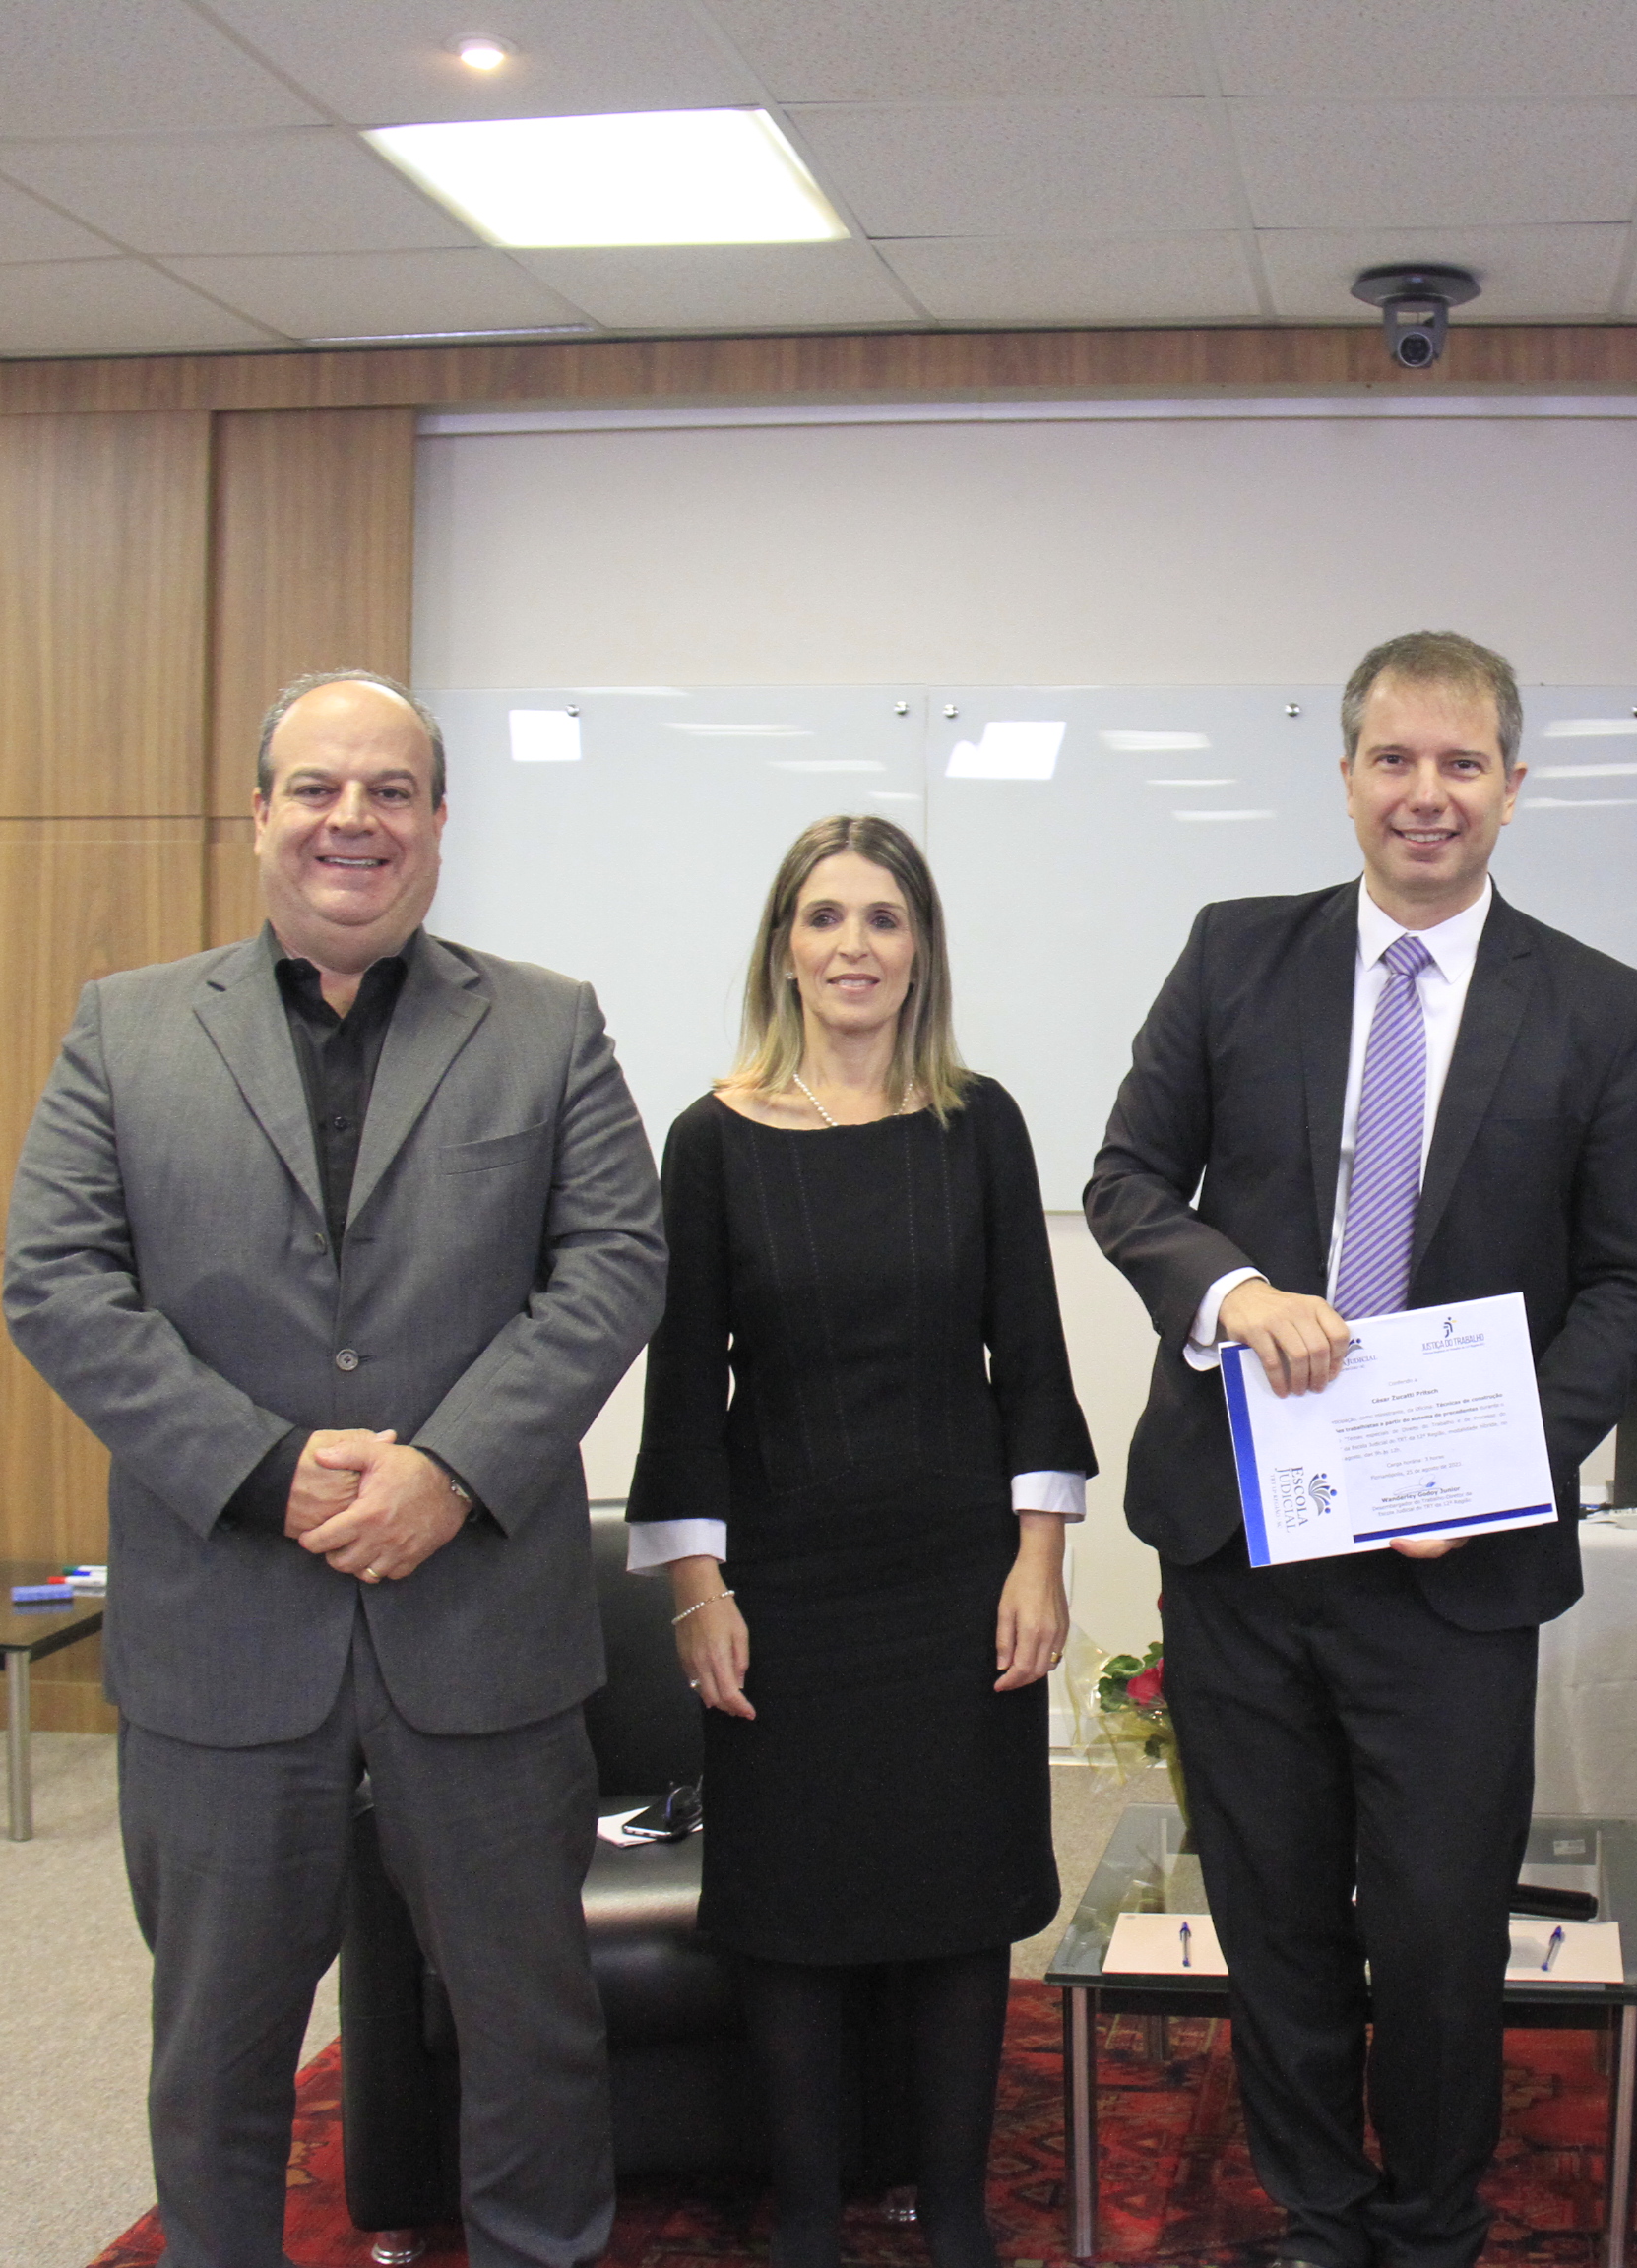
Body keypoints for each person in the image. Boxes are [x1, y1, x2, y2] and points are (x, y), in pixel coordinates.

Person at [4, 669, 665, 2268]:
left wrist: (448, 1466)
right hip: (225, 1631)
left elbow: (614, 1266)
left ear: (438, 823)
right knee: (219, 2057)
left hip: (481, 1632)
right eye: (317, 788)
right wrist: (261, 1468)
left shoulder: (548, 1021)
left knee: (533, 2040)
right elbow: (58, 1280)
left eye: (389, 792)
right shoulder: (127, 1026)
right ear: (258, 815)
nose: (351, 821)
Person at [1086, 629, 1637, 2268]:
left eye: (1462, 763)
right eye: (1396, 760)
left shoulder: (1598, 1008)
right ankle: (1316, 2215)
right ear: (1346, 773)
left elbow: (1636, 1278)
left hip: (1456, 1565)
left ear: (1512, 786)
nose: (1428, 794)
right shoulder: (1234, 956)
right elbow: (1132, 1182)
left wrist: (1504, 1461)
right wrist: (1237, 1291)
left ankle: (1430, 2220)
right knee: (1271, 1917)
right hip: (1240, 1538)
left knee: (1432, 1928)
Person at [623, 814, 1093, 2268]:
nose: (853, 947)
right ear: (783, 948)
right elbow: (683, 1382)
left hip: (957, 1578)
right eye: (824, 918)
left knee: (960, 1907)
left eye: (883, 919)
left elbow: (1033, 1356)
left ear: (920, 950)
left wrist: (1040, 1561)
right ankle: (810, 2223)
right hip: (785, 1586)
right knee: (792, 1915)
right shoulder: (710, 1138)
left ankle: (954, 2217)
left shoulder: (980, 1121)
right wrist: (697, 1593)